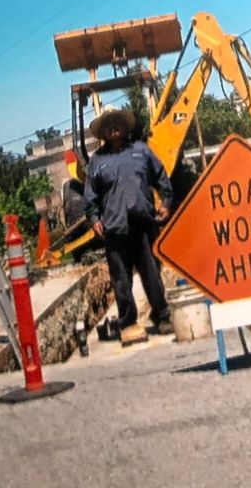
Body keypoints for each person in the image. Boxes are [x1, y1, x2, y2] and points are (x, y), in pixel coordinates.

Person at [83, 106, 174, 336]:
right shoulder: (97, 161)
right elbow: (90, 196)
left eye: (117, 122)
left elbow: (161, 176)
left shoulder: (141, 151)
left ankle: (162, 316)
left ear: (124, 127)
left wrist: (165, 203)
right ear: (102, 132)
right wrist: (94, 219)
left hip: (142, 224)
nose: (113, 127)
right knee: (120, 280)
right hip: (113, 229)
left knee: (151, 272)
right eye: (108, 124)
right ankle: (127, 321)